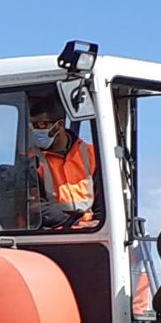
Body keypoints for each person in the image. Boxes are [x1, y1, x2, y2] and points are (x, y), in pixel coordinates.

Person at [27, 94, 98, 229]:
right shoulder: (29, 160)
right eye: (32, 126)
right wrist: (74, 224)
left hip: (92, 232)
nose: (35, 130)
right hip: (53, 233)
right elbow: (35, 207)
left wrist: (98, 225)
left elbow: (105, 199)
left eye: (41, 125)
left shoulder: (92, 154)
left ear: (59, 125)